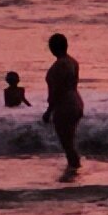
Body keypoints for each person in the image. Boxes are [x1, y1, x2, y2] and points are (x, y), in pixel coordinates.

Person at [43, 31, 84, 181]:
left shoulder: (60, 65)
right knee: (70, 142)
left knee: (67, 143)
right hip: (76, 101)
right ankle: (74, 170)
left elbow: (58, 89)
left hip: (65, 104)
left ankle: (74, 172)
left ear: (53, 47)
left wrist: (49, 110)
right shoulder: (72, 61)